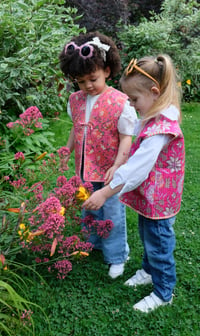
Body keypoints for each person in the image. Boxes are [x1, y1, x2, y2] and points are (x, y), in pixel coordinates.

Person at [83, 54, 185, 312]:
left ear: (154, 92)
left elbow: (136, 170)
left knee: (160, 244)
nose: (131, 104)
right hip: (153, 198)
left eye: (135, 99)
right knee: (148, 236)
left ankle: (163, 293)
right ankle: (149, 272)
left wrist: (106, 192)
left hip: (160, 202)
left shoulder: (161, 129)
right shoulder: (155, 116)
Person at [59, 32, 137, 278]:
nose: (88, 86)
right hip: (84, 167)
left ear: (106, 70)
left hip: (109, 168)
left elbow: (126, 136)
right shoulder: (76, 100)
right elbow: (76, 128)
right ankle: (91, 242)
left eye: (92, 79)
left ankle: (116, 255)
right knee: (88, 205)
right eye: (81, 81)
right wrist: (67, 150)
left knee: (111, 211)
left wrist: (118, 164)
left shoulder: (120, 102)